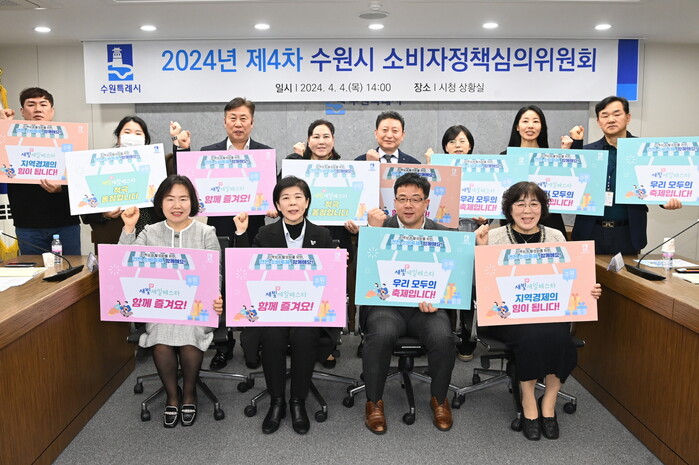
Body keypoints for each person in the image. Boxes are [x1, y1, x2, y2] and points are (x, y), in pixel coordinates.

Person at [474, 181, 602, 440]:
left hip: (548, 311)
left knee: (560, 337)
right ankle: (529, 400)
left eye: (534, 204)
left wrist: (589, 290)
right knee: (531, 335)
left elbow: (571, 278)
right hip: (505, 316)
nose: (527, 210)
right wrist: (481, 249)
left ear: (542, 209)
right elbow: (479, 284)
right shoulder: (493, 237)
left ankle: (549, 401)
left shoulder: (556, 237)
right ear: (509, 209)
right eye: (520, 204)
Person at [170, 97, 273, 370]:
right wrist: (183, 149)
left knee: (252, 285)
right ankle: (223, 346)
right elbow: (185, 183)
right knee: (218, 287)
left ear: (252, 122)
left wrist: (273, 206)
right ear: (225, 121)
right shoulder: (208, 152)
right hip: (218, 231)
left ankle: (253, 343)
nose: (238, 124)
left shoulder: (264, 154)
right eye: (233, 118)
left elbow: (271, 194)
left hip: (253, 231)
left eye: (243, 118)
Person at [233, 176, 338, 435]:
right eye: (286, 198)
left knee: (304, 334)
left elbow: (331, 282)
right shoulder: (264, 234)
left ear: (307, 202)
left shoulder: (322, 235)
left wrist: (338, 267)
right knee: (272, 334)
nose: (292, 203)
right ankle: (277, 400)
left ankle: (297, 401)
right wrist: (241, 233)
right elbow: (245, 268)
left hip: (308, 311)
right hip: (273, 309)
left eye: (298, 197)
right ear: (278, 205)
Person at [118, 175, 224, 428]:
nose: (177, 205)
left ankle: (189, 393)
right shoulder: (149, 231)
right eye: (170, 199)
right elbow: (123, 263)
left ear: (192, 202)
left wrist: (217, 297)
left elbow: (215, 273)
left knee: (189, 336)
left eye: (183, 199)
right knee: (161, 338)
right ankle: (172, 395)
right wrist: (129, 228)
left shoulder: (206, 232)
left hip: (196, 308)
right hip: (161, 307)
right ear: (160, 203)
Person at [362, 172, 456, 434]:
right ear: (394, 202)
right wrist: (372, 233)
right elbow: (363, 273)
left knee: (443, 336)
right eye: (402, 199)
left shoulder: (444, 235)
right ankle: (374, 402)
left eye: (415, 199)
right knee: (381, 334)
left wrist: (440, 299)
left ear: (427, 203)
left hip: (426, 308)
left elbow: (453, 279)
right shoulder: (379, 229)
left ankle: (440, 398)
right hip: (386, 306)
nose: (408, 205)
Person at [570, 96, 682, 254]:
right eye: (605, 115)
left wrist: (666, 201)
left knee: (626, 271)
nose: (611, 120)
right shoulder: (588, 152)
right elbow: (573, 183)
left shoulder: (643, 150)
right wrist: (575, 145)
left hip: (627, 233)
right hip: (590, 231)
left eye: (617, 114)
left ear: (628, 117)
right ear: (598, 122)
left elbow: (655, 181)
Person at [286, 119, 356, 368]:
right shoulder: (295, 166)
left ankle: (328, 344)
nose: (321, 141)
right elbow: (279, 193)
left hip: (335, 236)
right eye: (316, 136)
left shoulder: (346, 170)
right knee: (298, 289)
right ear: (308, 140)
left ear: (333, 140)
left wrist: (356, 224)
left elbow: (357, 203)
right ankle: (294, 339)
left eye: (326, 136)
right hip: (299, 238)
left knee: (329, 292)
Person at [425, 124, 482, 362]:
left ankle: (467, 339)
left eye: (462, 141)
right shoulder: (436, 171)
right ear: (445, 148)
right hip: (444, 233)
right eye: (452, 142)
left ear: (470, 146)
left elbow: (497, 204)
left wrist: (485, 217)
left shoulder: (482, 172)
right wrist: (430, 168)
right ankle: (443, 336)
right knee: (443, 283)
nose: (457, 146)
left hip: (472, 232)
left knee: (469, 287)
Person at [82, 116, 175, 251]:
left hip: (153, 237)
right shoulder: (100, 165)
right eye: (127, 132)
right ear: (118, 138)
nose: (132, 137)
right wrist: (105, 214)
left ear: (145, 140)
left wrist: (178, 144)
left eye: (138, 133)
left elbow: (178, 174)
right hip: (114, 238)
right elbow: (85, 209)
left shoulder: (158, 163)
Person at [6, 87, 81, 255]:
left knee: (71, 268)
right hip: (27, 225)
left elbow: (80, 181)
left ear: (52, 110)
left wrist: (61, 189)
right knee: (34, 270)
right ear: (22, 111)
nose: (38, 109)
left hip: (65, 222)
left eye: (43, 104)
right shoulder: (9, 138)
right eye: (31, 104)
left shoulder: (70, 139)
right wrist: (3, 126)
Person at [502, 105, 583, 239]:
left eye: (535, 121)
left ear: (542, 127)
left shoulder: (553, 158)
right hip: (514, 223)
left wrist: (566, 155)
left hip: (549, 221)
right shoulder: (505, 158)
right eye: (525, 121)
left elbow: (574, 183)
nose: (530, 126)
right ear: (517, 126)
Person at [355, 111, 420, 164]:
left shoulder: (414, 164)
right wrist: (370, 165)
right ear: (376, 133)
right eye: (385, 130)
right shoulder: (360, 162)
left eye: (395, 131)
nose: (389, 135)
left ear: (402, 135)